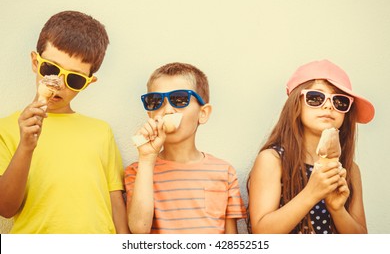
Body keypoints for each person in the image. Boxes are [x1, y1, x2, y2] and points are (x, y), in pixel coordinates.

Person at [0, 11, 129, 234]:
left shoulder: (100, 131)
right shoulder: (6, 129)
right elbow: (6, 208)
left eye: (75, 78)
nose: (58, 84)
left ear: (87, 83)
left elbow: (114, 200)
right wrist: (26, 146)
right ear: (34, 61)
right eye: (50, 69)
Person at [247, 60, 375, 234]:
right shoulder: (272, 160)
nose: (329, 105)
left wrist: (337, 209)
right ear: (296, 104)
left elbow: (363, 244)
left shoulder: (350, 170)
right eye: (316, 97)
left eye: (340, 101)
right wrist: (312, 193)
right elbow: (261, 233)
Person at [125, 62, 246, 234]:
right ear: (150, 114)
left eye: (180, 99)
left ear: (203, 114)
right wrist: (147, 158)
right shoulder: (138, 171)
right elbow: (139, 229)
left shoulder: (224, 172)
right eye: (156, 101)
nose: (167, 110)